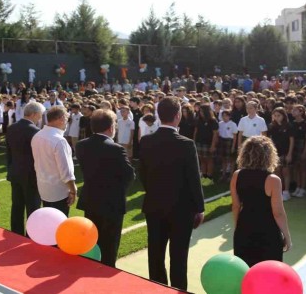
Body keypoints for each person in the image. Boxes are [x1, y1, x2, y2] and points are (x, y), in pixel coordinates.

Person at [138, 97, 205, 291]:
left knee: (155, 254)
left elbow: (142, 174)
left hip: (154, 205)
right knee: (179, 256)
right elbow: (194, 179)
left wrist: (153, 190)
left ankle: (157, 289)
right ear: (178, 116)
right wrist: (200, 208)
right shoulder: (186, 144)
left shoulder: (147, 141)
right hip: (181, 209)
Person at [75, 109, 135, 267]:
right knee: (109, 244)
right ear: (110, 127)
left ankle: (90, 266)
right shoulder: (116, 148)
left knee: (92, 239)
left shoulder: (81, 145)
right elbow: (129, 175)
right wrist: (118, 188)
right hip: (111, 203)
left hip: (91, 198)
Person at [231, 136, 292, 267]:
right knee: (269, 271)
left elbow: (236, 206)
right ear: (269, 156)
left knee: (245, 270)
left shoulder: (237, 175)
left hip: (244, 228)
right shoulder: (273, 180)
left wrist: (237, 228)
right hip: (268, 232)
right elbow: (278, 213)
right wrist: (287, 236)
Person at [5, 101, 43, 236]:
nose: (40, 118)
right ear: (34, 114)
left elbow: (8, 153)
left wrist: (10, 169)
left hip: (15, 172)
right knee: (33, 206)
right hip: (31, 175)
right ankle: (31, 235)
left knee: (17, 205)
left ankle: (16, 233)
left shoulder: (11, 128)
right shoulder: (35, 131)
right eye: (40, 115)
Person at [31, 106, 77, 216]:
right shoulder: (59, 140)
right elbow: (66, 172)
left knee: (49, 220)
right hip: (59, 191)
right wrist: (73, 190)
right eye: (67, 119)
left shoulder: (37, 135)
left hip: (44, 188)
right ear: (61, 118)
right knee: (59, 222)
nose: (67, 123)